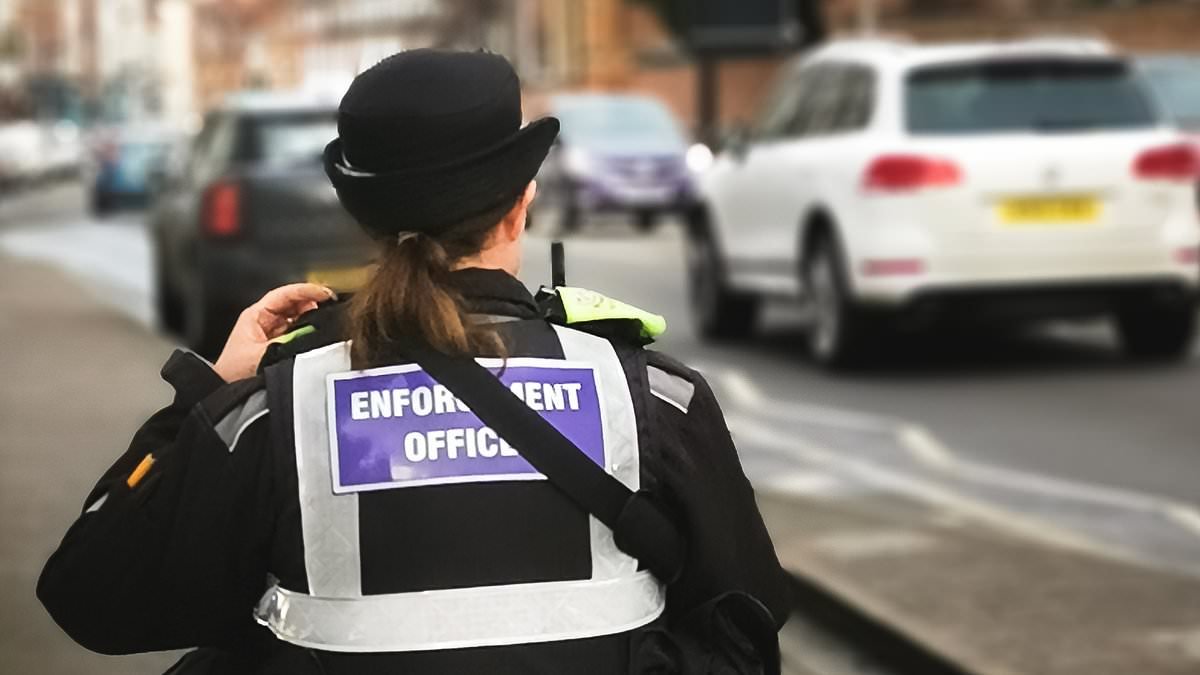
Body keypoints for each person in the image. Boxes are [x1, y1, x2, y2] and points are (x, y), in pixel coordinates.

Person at [38, 49, 790, 674]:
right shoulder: (650, 397)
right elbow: (750, 623)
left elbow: (90, 595)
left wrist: (209, 394)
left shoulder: (278, 410)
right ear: (520, 203)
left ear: (363, 217)